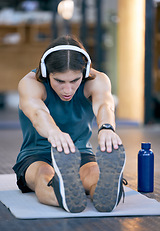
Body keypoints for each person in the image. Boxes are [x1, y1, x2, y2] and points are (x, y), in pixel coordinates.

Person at [13, 35, 126, 213]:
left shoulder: (97, 80)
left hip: (80, 153)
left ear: (85, 72)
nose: (68, 89)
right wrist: (53, 132)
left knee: (95, 174)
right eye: (59, 81)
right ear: (45, 72)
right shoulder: (31, 83)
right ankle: (63, 192)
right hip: (38, 155)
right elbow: (37, 113)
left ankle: (106, 194)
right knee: (44, 174)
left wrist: (106, 127)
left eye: (75, 81)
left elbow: (105, 104)